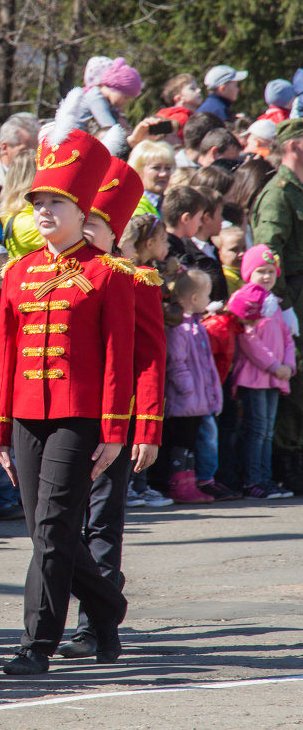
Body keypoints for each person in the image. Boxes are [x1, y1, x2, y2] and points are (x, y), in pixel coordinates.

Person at [0, 97, 132, 676]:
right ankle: (106, 607)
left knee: (51, 529)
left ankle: (37, 642)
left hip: (79, 417)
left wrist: (116, 431)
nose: (45, 212)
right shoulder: (18, 272)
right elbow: (5, 354)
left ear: (82, 209)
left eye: (57, 202)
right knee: (41, 529)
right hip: (25, 413)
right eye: (39, 202)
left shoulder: (108, 274)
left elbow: (120, 359)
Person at [58, 158, 166, 660]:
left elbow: (147, 358)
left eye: (94, 225)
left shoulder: (135, 279)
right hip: (62, 417)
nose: (84, 232)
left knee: (101, 522)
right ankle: (96, 611)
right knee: (59, 524)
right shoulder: (57, 275)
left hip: (111, 423)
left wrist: (145, 426)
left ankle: (95, 625)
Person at [249, 119, 303, 494]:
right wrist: (283, 307)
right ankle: (288, 464)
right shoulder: (279, 194)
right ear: (294, 147)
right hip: (291, 297)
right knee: (293, 382)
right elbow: (269, 256)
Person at [231, 248, 296, 499]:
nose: (267, 276)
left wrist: (288, 365)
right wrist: (273, 365)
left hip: (274, 376)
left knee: (267, 430)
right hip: (254, 377)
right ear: (249, 273)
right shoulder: (246, 298)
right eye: (261, 271)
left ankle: (265, 479)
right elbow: (248, 339)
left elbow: (287, 337)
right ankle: (253, 480)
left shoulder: (274, 302)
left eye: (271, 272)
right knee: (257, 430)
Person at [161, 268, 221, 504]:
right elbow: (177, 363)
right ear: (195, 299)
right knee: (181, 443)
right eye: (207, 295)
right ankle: (178, 484)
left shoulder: (197, 326)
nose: (209, 300)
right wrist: (188, 389)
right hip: (185, 399)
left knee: (190, 443)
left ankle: (190, 482)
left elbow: (205, 364)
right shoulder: (180, 329)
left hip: (196, 400)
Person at [128, 140, 175, 216]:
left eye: (168, 168)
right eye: (156, 168)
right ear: (138, 169)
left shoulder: (171, 204)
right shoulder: (133, 206)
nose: (163, 174)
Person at [156, 74, 203, 142]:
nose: (199, 90)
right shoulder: (181, 117)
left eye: (197, 87)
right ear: (178, 98)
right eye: (192, 89)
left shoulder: (189, 116)